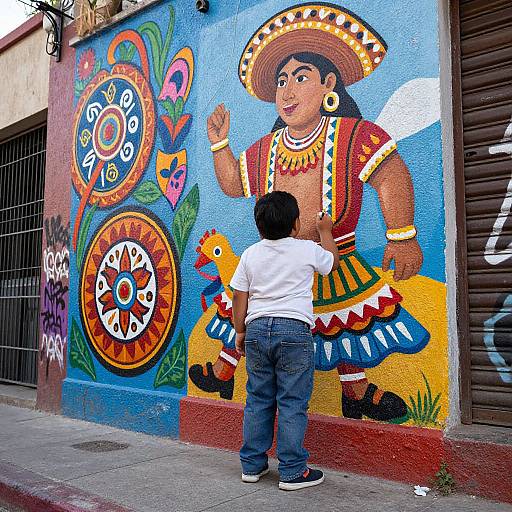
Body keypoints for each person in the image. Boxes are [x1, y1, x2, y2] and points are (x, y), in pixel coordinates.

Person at [195, 2, 430, 423]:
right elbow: (232, 184)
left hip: (332, 258)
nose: (286, 91)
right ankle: (223, 371)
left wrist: (402, 236)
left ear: (329, 84)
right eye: (282, 81)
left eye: (300, 77)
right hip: (283, 267)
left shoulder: (354, 135)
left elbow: (390, 172)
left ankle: (355, 391)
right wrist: (219, 143)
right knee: (250, 315)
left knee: (344, 330)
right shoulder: (267, 149)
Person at [230, 191, 338, 490]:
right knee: (291, 401)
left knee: (258, 399)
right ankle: (292, 471)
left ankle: (252, 465)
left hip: (256, 328)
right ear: (295, 225)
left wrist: (241, 331)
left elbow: (240, 294)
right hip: (293, 330)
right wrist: (325, 231)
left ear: (259, 227)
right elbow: (332, 263)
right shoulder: (306, 249)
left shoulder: (251, 254)